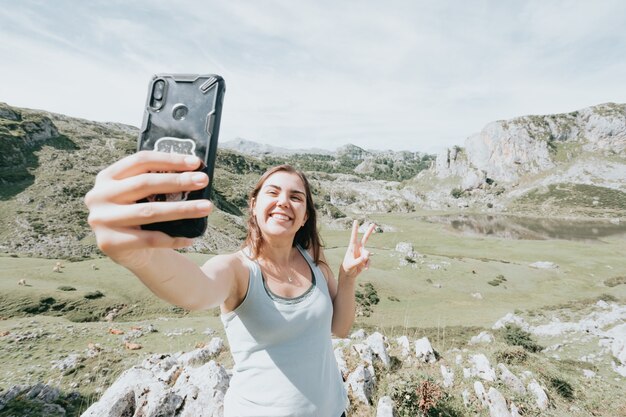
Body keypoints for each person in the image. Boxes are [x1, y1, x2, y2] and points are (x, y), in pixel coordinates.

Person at [84, 151, 375, 417]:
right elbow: (197, 289)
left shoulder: (312, 257)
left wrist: (347, 277)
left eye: (296, 197)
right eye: (272, 192)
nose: (284, 201)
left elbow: (340, 328)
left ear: (304, 217)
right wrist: (140, 255)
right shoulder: (237, 269)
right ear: (254, 205)